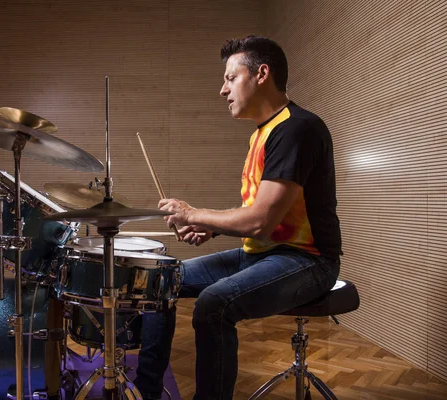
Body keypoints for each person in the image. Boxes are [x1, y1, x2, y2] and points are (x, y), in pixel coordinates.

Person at [134, 35, 342, 400]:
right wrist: (208, 228)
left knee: (214, 304)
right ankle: (145, 392)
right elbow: (261, 214)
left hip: (309, 261)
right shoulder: (261, 134)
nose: (222, 90)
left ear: (261, 74)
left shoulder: (296, 129)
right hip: (262, 254)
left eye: (230, 78)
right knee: (160, 281)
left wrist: (192, 213)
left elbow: (260, 220)